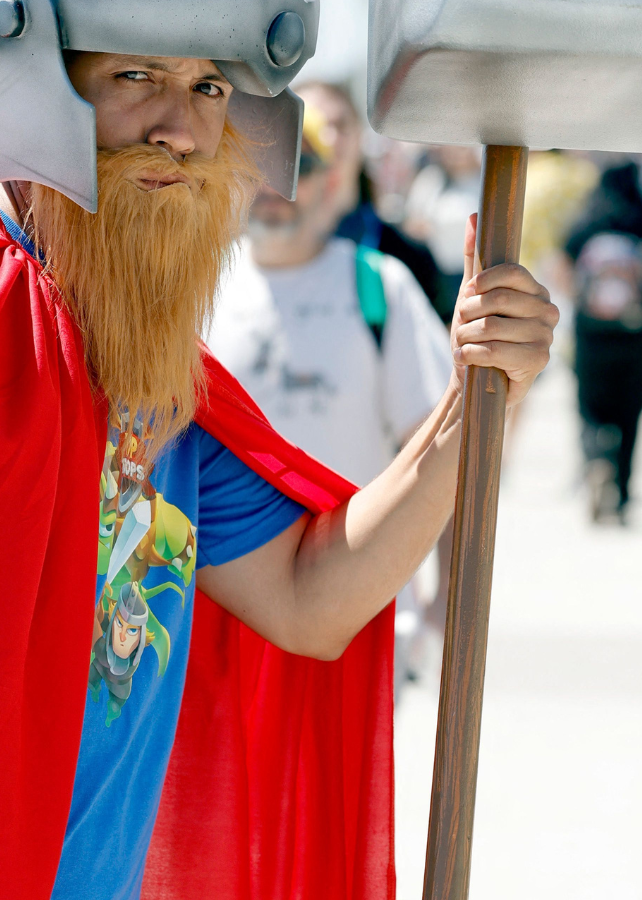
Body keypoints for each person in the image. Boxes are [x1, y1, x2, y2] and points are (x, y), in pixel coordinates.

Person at [0, 4, 558, 897]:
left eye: (208, 85)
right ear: (48, 89)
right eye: (135, 76)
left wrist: (472, 401)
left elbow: (309, 598)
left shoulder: (144, 363)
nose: (182, 129)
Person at [207, 100, 454, 682]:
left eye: (299, 167)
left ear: (331, 180)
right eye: (258, 168)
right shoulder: (197, 285)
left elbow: (441, 449)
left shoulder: (379, 286)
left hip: (357, 610)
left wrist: (447, 594)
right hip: (220, 620)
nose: (276, 187)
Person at [565, 159, 642, 522]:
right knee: (631, 414)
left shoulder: (587, 219)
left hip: (592, 333)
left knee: (590, 408)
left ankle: (596, 460)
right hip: (638, 331)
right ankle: (623, 494)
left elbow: (564, 268)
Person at [293, 81, 442, 309]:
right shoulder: (254, 258)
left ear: (359, 136)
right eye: (312, 126)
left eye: (340, 125)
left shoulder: (408, 257)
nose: (330, 139)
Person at [405, 144, 483, 323]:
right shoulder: (431, 181)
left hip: (478, 274)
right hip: (439, 275)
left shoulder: (486, 177)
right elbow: (413, 224)